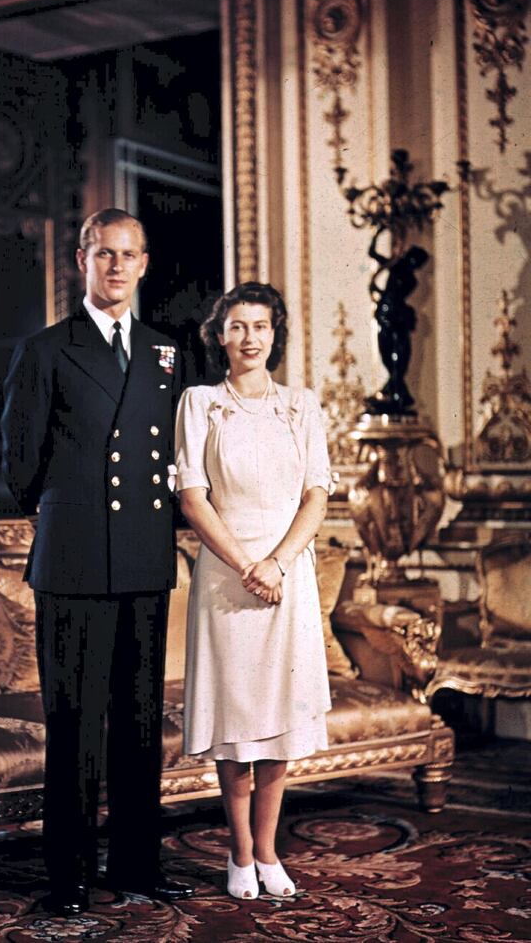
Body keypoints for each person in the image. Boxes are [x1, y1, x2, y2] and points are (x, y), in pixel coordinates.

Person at [1, 208, 193, 916]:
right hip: (75, 564)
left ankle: (138, 865)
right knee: (75, 725)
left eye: (129, 254)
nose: (116, 266)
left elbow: (174, 457)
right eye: (104, 253)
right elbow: (21, 468)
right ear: (81, 259)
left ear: (144, 264)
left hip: (144, 560)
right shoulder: (47, 349)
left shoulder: (166, 352)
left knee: (141, 723)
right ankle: (69, 875)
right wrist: (75, 513)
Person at [175, 281, 332, 901]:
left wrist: (278, 563)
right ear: (219, 336)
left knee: (277, 723)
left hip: (287, 575)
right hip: (227, 575)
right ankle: (240, 852)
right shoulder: (200, 403)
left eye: (261, 326)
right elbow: (192, 495)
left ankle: (269, 851)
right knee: (237, 721)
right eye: (237, 326)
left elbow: (317, 493)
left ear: (275, 335)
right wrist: (247, 565)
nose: (249, 338)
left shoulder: (302, 405)